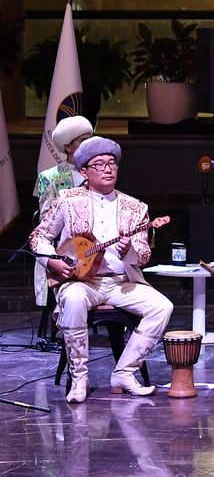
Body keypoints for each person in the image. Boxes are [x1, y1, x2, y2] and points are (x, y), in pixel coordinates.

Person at [29, 137, 173, 403]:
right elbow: (39, 237)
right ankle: (80, 377)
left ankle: (125, 372)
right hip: (82, 282)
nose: (108, 168)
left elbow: (143, 255)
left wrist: (126, 250)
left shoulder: (135, 208)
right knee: (72, 299)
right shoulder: (68, 200)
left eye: (112, 163)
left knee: (162, 306)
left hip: (121, 282)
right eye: (99, 164)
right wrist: (52, 261)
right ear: (84, 172)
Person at [33, 115, 94, 308]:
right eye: (83, 141)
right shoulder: (50, 177)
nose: (89, 146)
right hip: (63, 247)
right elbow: (47, 221)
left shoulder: (97, 171)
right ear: (68, 146)